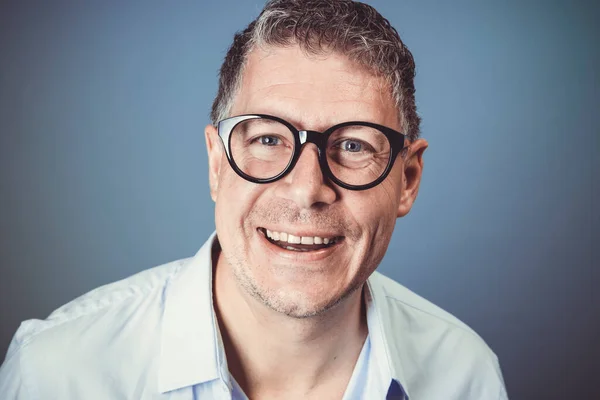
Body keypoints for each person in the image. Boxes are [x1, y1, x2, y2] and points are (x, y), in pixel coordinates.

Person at [0, 0, 508, 399]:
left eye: (353, 145)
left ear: (408, 179)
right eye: (268, 139)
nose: (308, 190)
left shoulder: (464, 374)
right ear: (217, 164)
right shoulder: (58, 373)